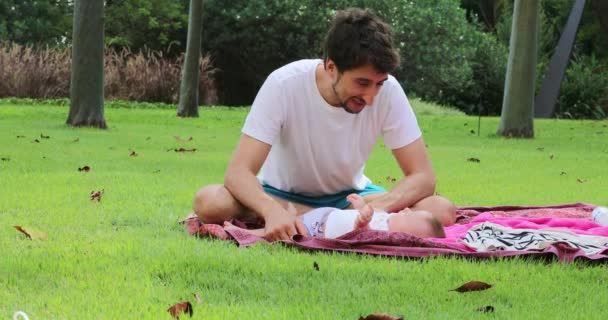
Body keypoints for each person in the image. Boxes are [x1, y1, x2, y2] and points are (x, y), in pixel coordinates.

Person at [192, 8, 456, 241]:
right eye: (362, 83)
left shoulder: (388, 91)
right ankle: (308, 218)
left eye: (379, 83)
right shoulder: (283, 84)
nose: (372, 97)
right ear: (332, 67)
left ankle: (319, 219)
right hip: (281, 195)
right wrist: (271, 211)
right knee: (210, 202)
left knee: (440, 209)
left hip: (351, 198)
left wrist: (374, 209)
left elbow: (423, 176)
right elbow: (238, 173)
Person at [223, 193, 446, 239]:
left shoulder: (381, 234)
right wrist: (360, 204)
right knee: (294, 223)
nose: (406, 210)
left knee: (283, 233)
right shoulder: (385, 218)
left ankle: (240, 233)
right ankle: (288, 214)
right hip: (327, 215)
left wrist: (362, 219)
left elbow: (360, 232)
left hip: (317, 228)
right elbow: (364, 212)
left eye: (410, 216)